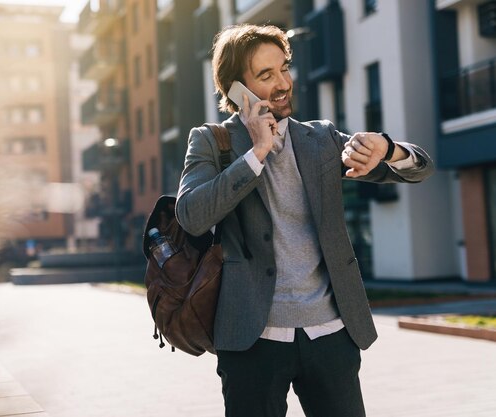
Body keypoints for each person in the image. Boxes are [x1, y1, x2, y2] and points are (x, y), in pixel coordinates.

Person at [175, 24, 434, 417]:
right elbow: (191, 215)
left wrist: (389, 148)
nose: (283, 83)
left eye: (284, 68)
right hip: (252, 339)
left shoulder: (321, 139)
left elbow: (419, 168)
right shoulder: (212, 142)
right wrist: (257, 153)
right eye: (266, 75)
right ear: (235, 90)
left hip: (330, 334)